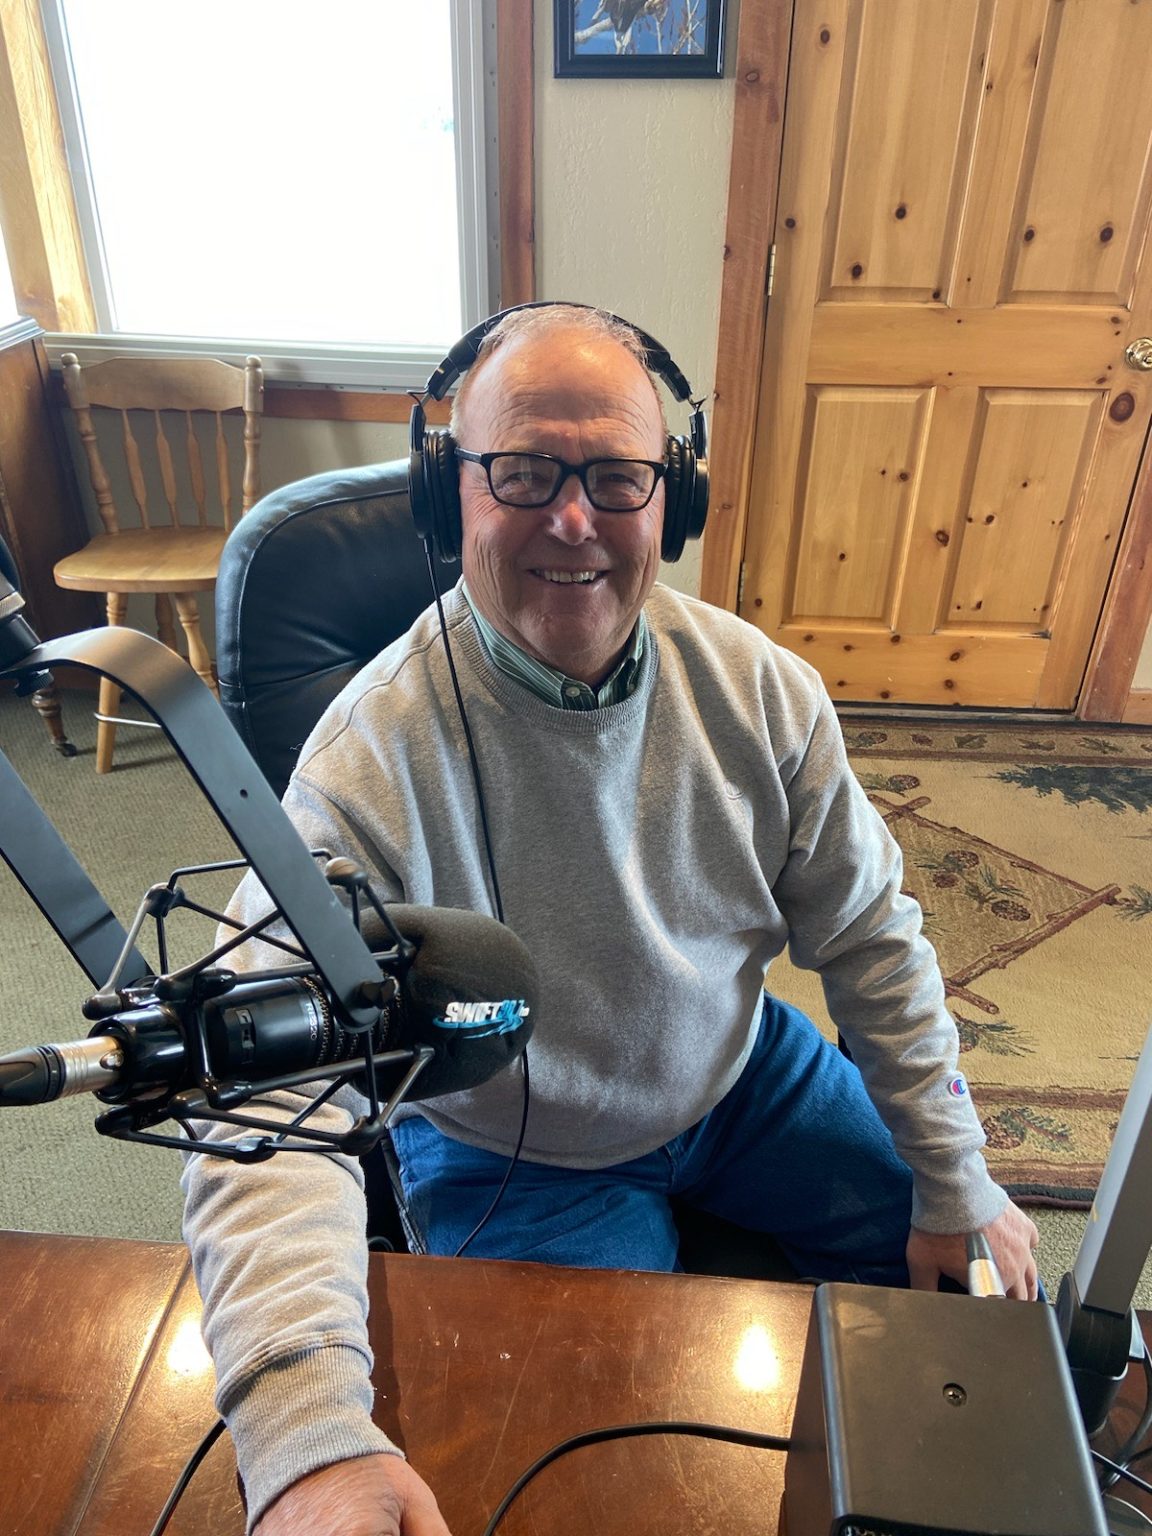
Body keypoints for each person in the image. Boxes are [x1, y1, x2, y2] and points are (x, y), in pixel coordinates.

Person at [181, 304, 1039, 1536]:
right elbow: (266, 1100)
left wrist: (955, 1175)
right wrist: (303, 1436)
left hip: (742, 1074)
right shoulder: (363, 764)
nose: (574, 519)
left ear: (671, 498)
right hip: (509, 1146)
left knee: (976, 1307)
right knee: (584, 1470)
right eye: (524, 472)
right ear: (450, 493)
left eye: (616, 476)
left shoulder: (764, 693)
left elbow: (873, 937)